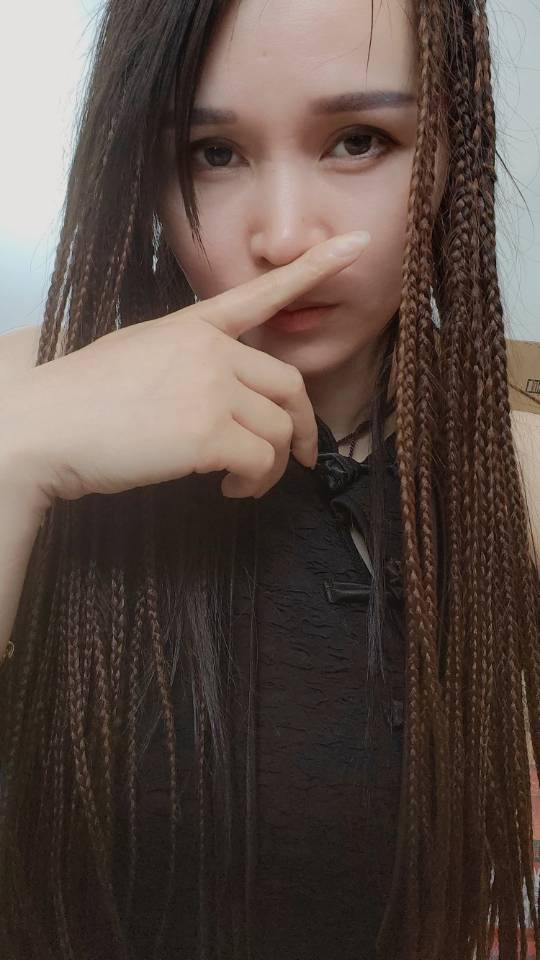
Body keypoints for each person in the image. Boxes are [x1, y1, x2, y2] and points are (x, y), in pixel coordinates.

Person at [0, 0, 539, 958]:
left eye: (359, 140)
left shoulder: (516, 483)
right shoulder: (24, 399)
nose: (285, 237)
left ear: (451, 150)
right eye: (213, 153)